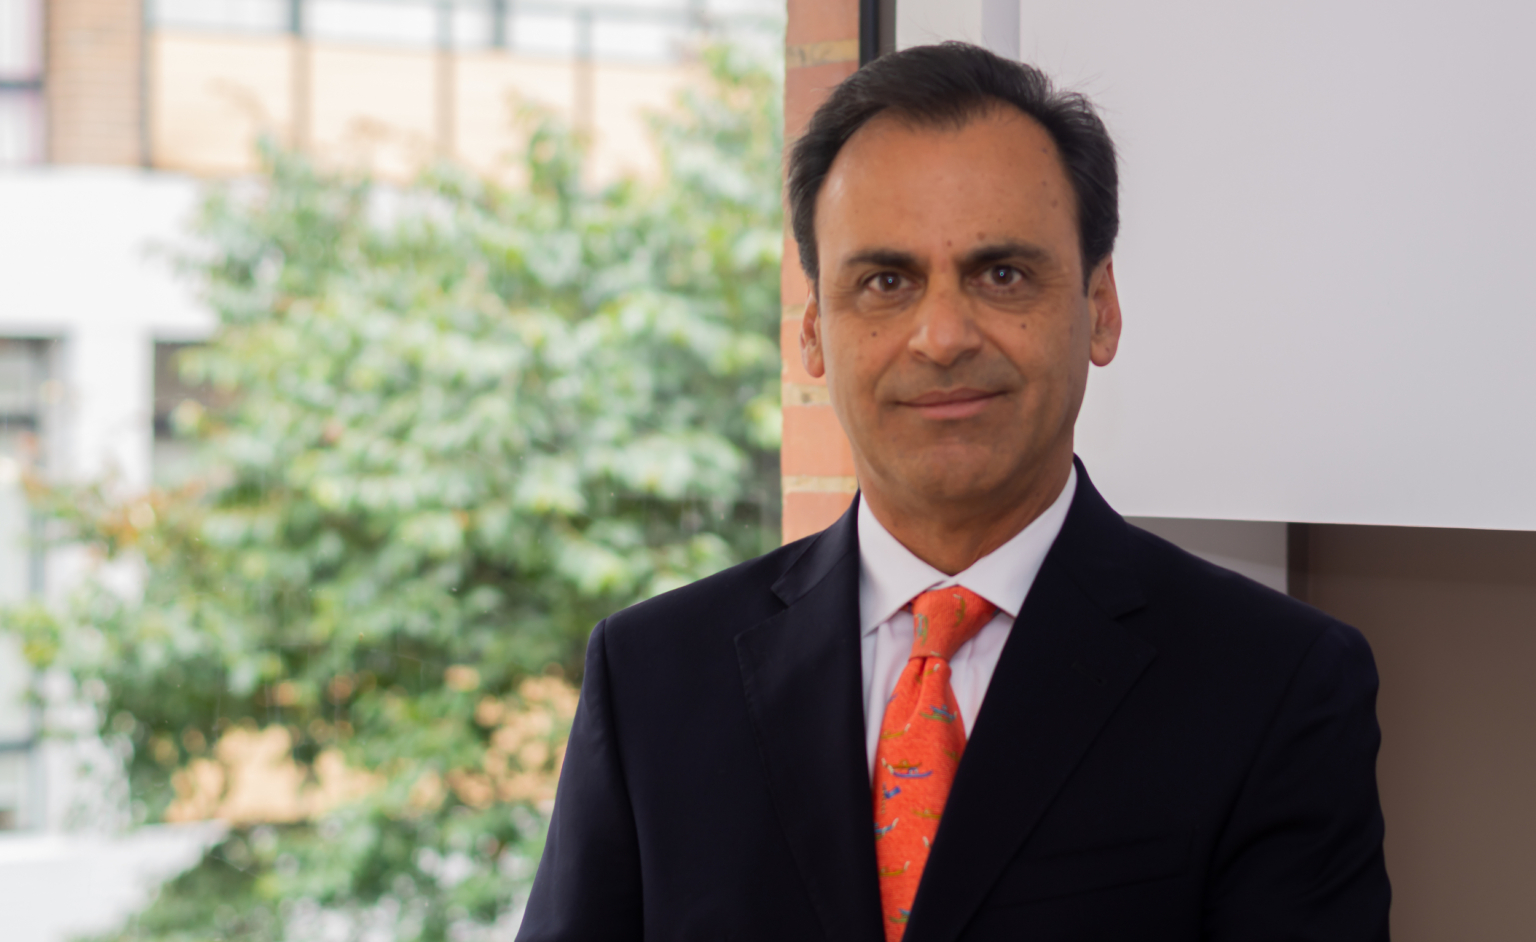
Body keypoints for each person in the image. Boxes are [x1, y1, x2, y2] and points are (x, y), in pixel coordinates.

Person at [516, 42, 1390, 941]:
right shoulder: (652, 679)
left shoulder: (1276, 685)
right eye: (886, 282)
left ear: (1100, 308)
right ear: (813, 333)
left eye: (1001, 274)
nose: (941, 336)